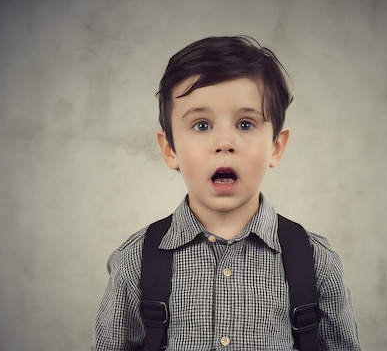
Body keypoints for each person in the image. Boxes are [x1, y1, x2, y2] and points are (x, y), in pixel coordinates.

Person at [93, 36, 360, 350]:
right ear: (170, 150)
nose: (224, 142)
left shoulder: (316, 262)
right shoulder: (134, 262)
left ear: (276, 147)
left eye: (245, 124)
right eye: (202, 125)